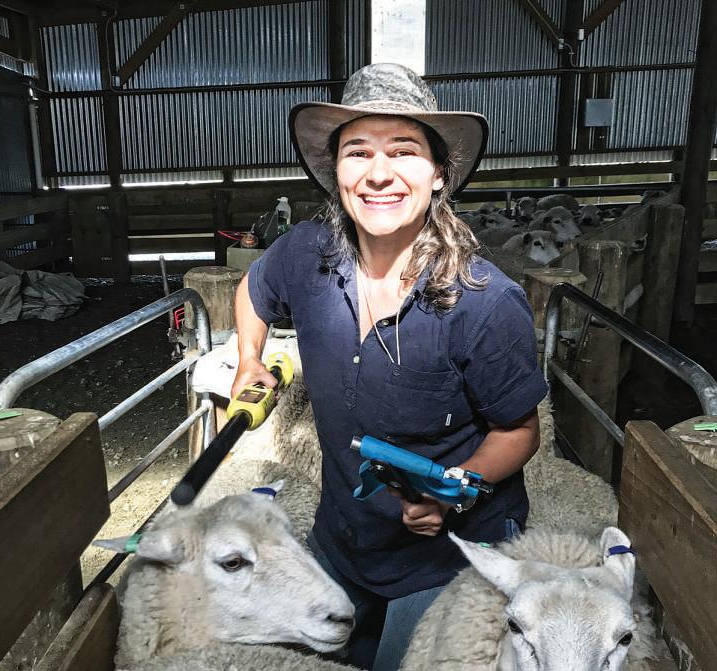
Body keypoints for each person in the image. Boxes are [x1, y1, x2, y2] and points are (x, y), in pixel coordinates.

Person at [231, 63, 548, 670]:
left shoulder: (483, 302)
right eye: (358, 152)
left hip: (446, 555)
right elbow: (254, 286)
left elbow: (519, 431)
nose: (378, 174)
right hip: (344, 535)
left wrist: (454, 491)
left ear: (438, 174)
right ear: (337, 172)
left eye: (403, 151)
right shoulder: (307, 254)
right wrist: (249, 358)